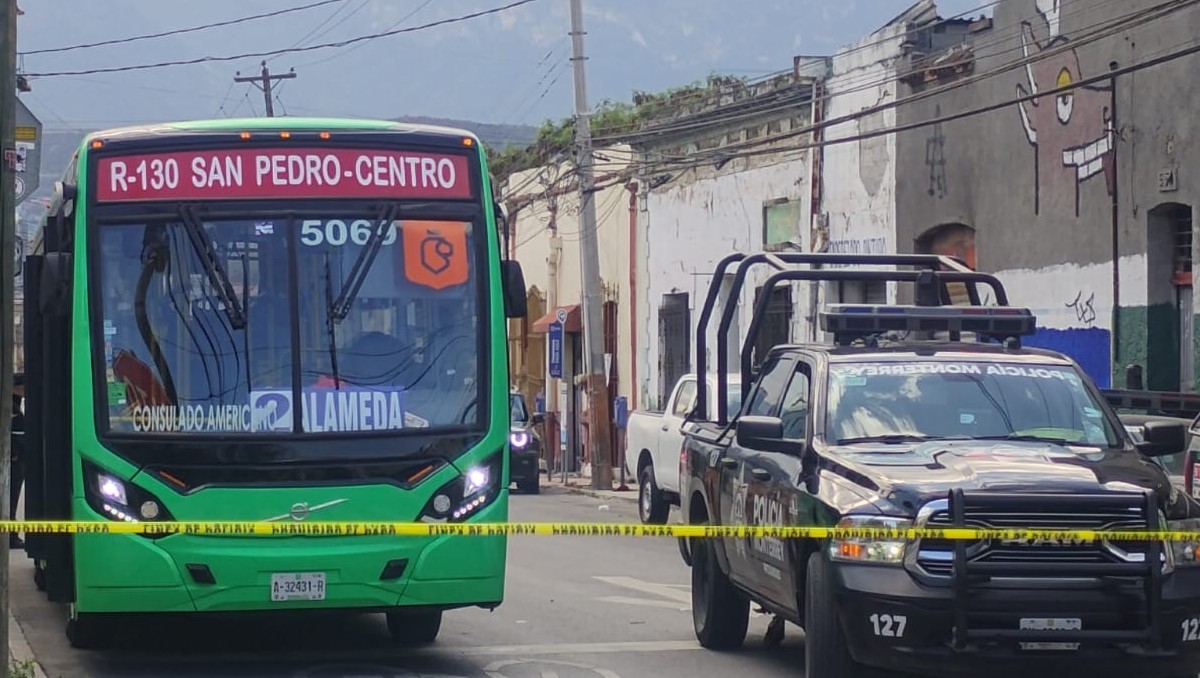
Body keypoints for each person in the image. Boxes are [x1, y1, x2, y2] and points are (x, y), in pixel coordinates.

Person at [10, 389, 24, 549]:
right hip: (15, 461)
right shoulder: (10, 407)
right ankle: (11, 536)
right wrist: (14, 454)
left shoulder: (15, 406)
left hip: (18, 460)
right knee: (10, 500)